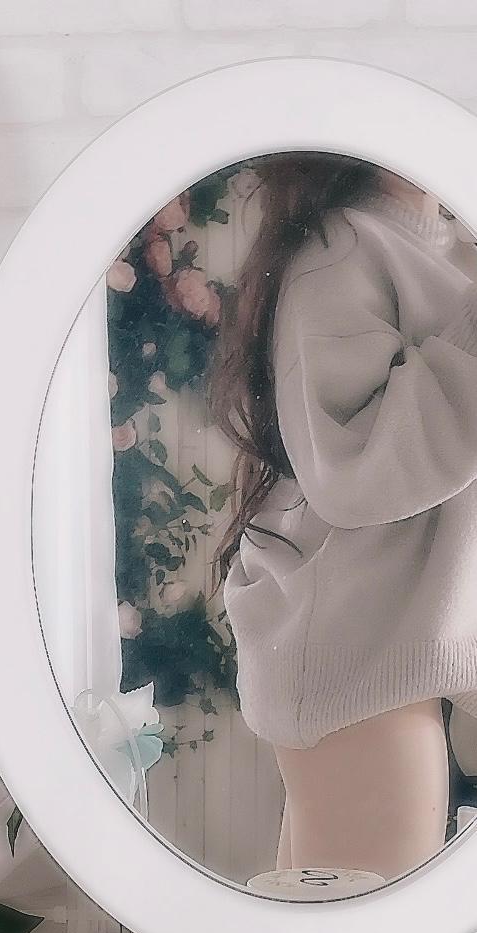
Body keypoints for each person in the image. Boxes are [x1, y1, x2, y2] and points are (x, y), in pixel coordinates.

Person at [209, 153, 477, 881]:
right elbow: (352, 471)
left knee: (326, 931)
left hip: (386, 650)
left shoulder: (438, 250)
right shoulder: (344, 250)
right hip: (357, 658)